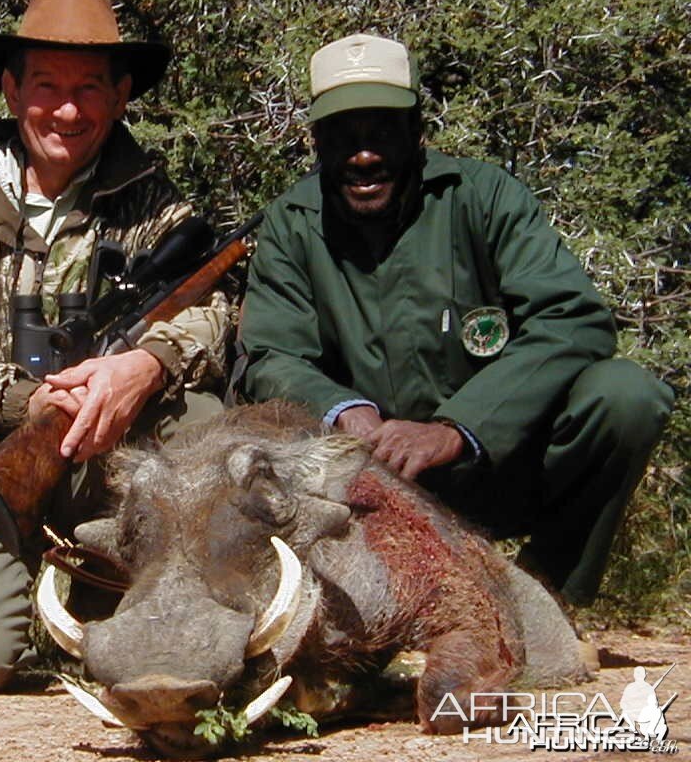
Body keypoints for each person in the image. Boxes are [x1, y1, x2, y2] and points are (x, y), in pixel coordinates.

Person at [239, 32, 674, 605]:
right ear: (317, 139)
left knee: (627, 396)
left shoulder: (487, 197)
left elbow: (573, 319)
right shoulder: (291, 222)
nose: (363, 154)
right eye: (343, 133)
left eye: (382, 131)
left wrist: (457, 430)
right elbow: (272, 357)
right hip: (362, 484)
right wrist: (345, 412)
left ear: (417, 131)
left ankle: (547, 599)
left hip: (497, 469)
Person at [0, 0, 229, 696]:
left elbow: (211, 307)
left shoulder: (155, 202)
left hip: (106, 467)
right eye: (47, 87)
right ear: (12, 90)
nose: (68, 111)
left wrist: (146, 363)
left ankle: (122, 597)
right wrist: (29, 402)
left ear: (122, 95)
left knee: (201, 422)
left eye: (89, 89)